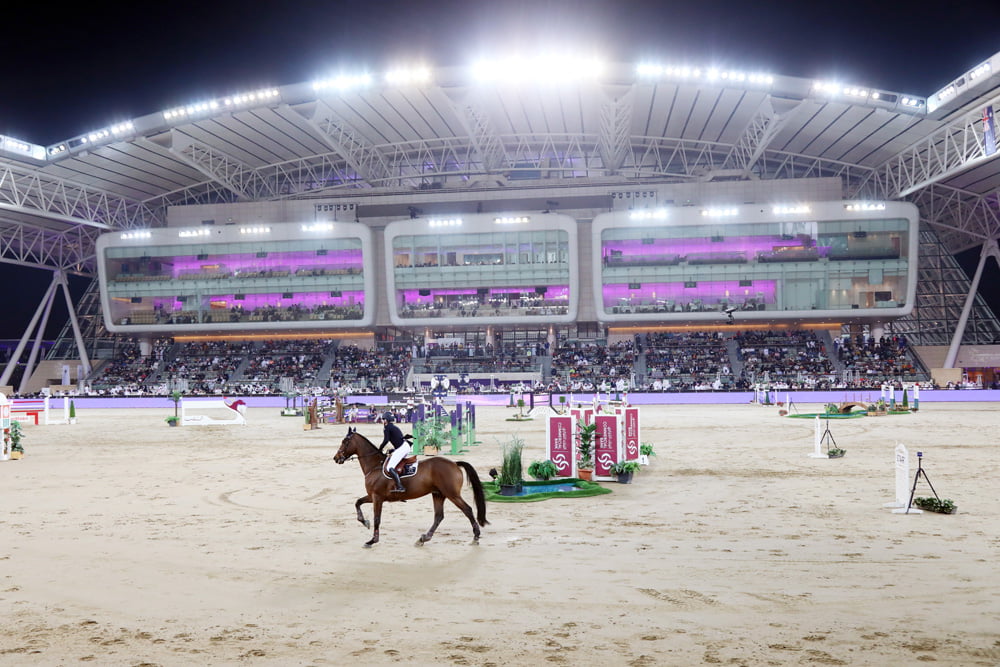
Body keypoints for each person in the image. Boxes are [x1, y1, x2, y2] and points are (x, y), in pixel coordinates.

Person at [378, 411, 409, 493]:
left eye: (383, 419)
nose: (382, 421)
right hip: (404, 446)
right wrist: (394, 449)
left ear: (386, 420)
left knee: (389, 467)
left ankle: (400, 486)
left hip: (402, 448)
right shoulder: (393, 427)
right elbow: (397, 439)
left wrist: (379, 449)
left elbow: (386, 440)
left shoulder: (387, 427)